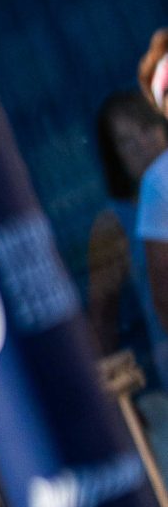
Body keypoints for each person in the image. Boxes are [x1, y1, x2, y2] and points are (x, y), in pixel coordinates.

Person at [88, 89, 168, 368]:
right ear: (115, 157)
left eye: (146, 129)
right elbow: (102, 319)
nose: (142, 145)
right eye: (126, 142)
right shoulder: (113, 224)